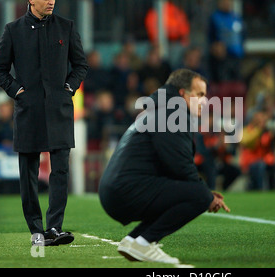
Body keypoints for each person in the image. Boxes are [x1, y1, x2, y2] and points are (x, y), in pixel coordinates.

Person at [0, 0, 88, 246]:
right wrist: (17, 91)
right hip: (28, 111)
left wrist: (69, 87)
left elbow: (81, 65)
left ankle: (54, 228)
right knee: (29, 174)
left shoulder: (66, 27)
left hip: (59, 109)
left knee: (60, 171)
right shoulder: (13, 30)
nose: (52, 2)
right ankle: (36, 230)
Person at [98, 68, 230, 264]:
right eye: (200, 94)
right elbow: (179, 164)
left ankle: (133, 240)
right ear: (183, 93)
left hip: (117, 189)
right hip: (125, 190)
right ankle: (144, 243)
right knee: (199, 196)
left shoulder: (161, 110)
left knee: (192, 191)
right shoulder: (171, 114)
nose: (204, 101)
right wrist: (206, 195)